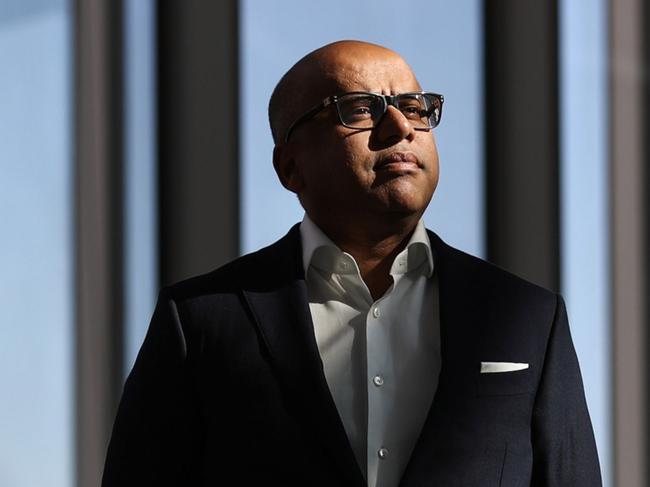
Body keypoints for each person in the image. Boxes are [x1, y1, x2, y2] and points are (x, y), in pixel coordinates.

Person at [102, 40, 602, 486]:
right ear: (290, 166)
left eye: (414, 106)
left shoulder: (530, 317)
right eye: (360, 108)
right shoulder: (200, 319)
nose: (401, 126)